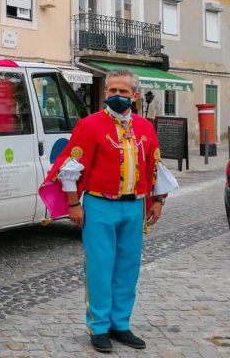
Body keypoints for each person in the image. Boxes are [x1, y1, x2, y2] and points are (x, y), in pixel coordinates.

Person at [44, 68, 163, 353]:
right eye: (112, 91)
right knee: (99, 267)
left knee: (128, 268)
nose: (117, 96)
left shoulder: (146, 127)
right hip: (99, 206)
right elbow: (71, 166)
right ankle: (98, 327)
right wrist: (74, 204)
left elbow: (155, 167)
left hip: (134, 206)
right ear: (105, 93)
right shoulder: (90, 125)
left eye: (123, 91)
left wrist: (158, 201)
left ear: (134, 96)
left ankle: (120, 324)